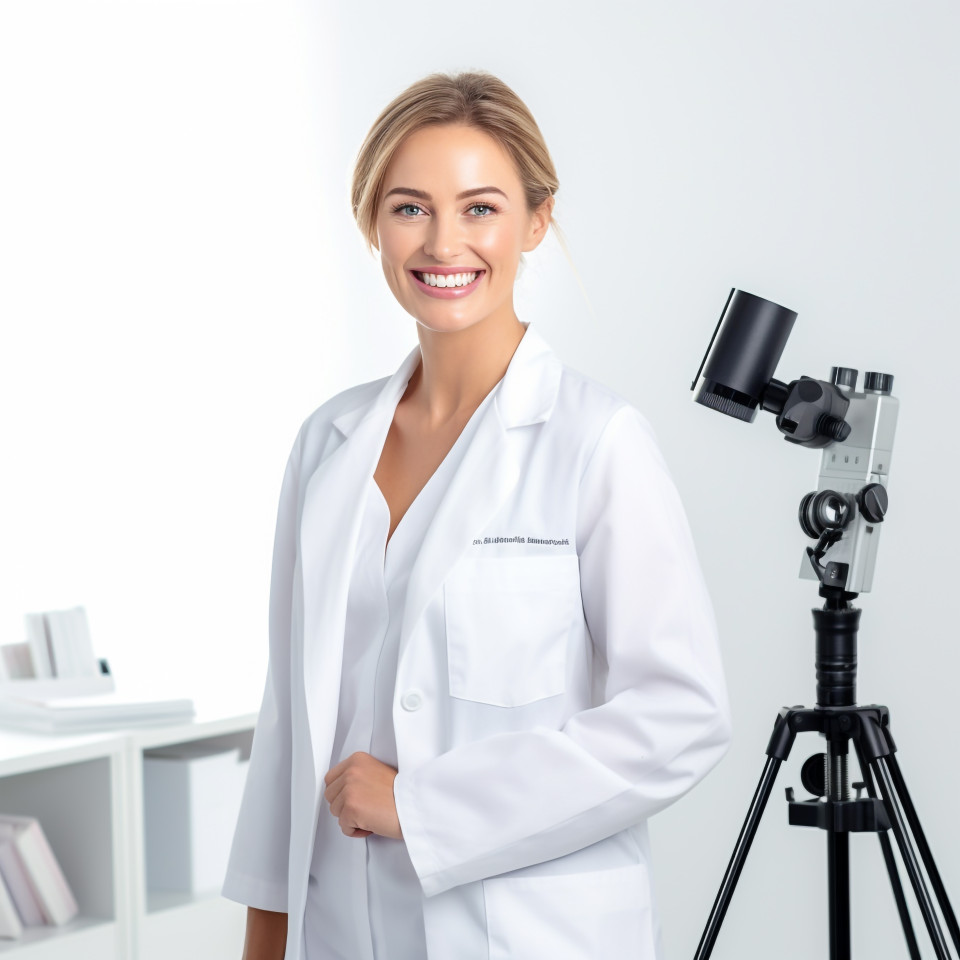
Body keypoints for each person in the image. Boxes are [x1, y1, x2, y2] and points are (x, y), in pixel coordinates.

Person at [221, 69, 732, 960]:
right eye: (410, 208)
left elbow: (680, 716)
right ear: (372, 223)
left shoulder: (595, 441)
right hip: (343, 928)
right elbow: (290, 727)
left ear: (536, 221)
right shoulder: (326, 444)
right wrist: (266, 944)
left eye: (481, 208)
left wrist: (421, 807)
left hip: (530, 933)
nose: (444, 241)